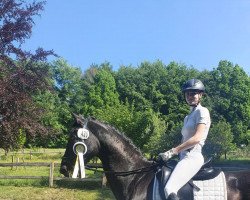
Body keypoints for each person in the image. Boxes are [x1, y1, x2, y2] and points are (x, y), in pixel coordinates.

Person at [158, 79, 211, 200]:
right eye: (187, 93)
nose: (190, 96)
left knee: (169, 189)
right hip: (183, 157)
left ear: (200, 95)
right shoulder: (187, 117)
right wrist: (171, 155)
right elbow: (184, 141)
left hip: (193, 156)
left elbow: (197, 138)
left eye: (193, 93)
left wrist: (172, 151)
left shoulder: (203, 111)